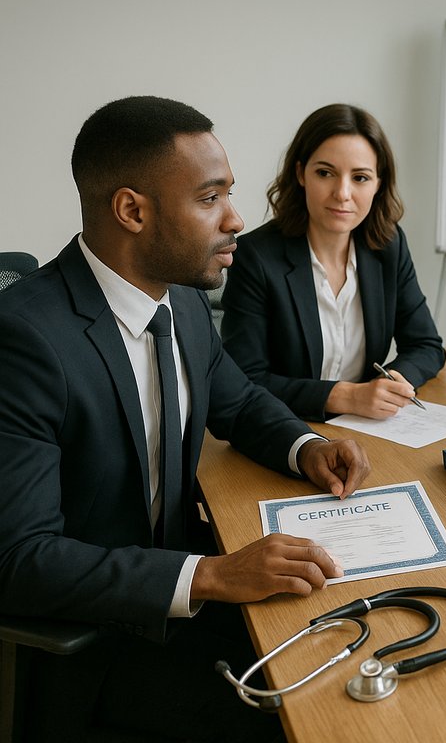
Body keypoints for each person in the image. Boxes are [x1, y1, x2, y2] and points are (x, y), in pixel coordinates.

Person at [0, 96, 371, 741]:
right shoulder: (25, 340)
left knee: (351, 643)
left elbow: (239, 402)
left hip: (181, 600)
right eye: (210, 199)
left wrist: (305, 444)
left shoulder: (185, 306)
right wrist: (214, 574)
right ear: (132, 211)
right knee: (311, 722)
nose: (236, 219)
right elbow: (20, 559)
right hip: (98, 646)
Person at [220, 103, 445, 421]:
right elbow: (244, 379)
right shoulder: (257, 257)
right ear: (301, 173)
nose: (342, 193)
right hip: (287, 427)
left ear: (378, 184)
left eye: (360, 178)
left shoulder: (388, 246)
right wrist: (346, 396)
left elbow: (426, 345)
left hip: (368, 426)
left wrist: (390, 382)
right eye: (325, 173)